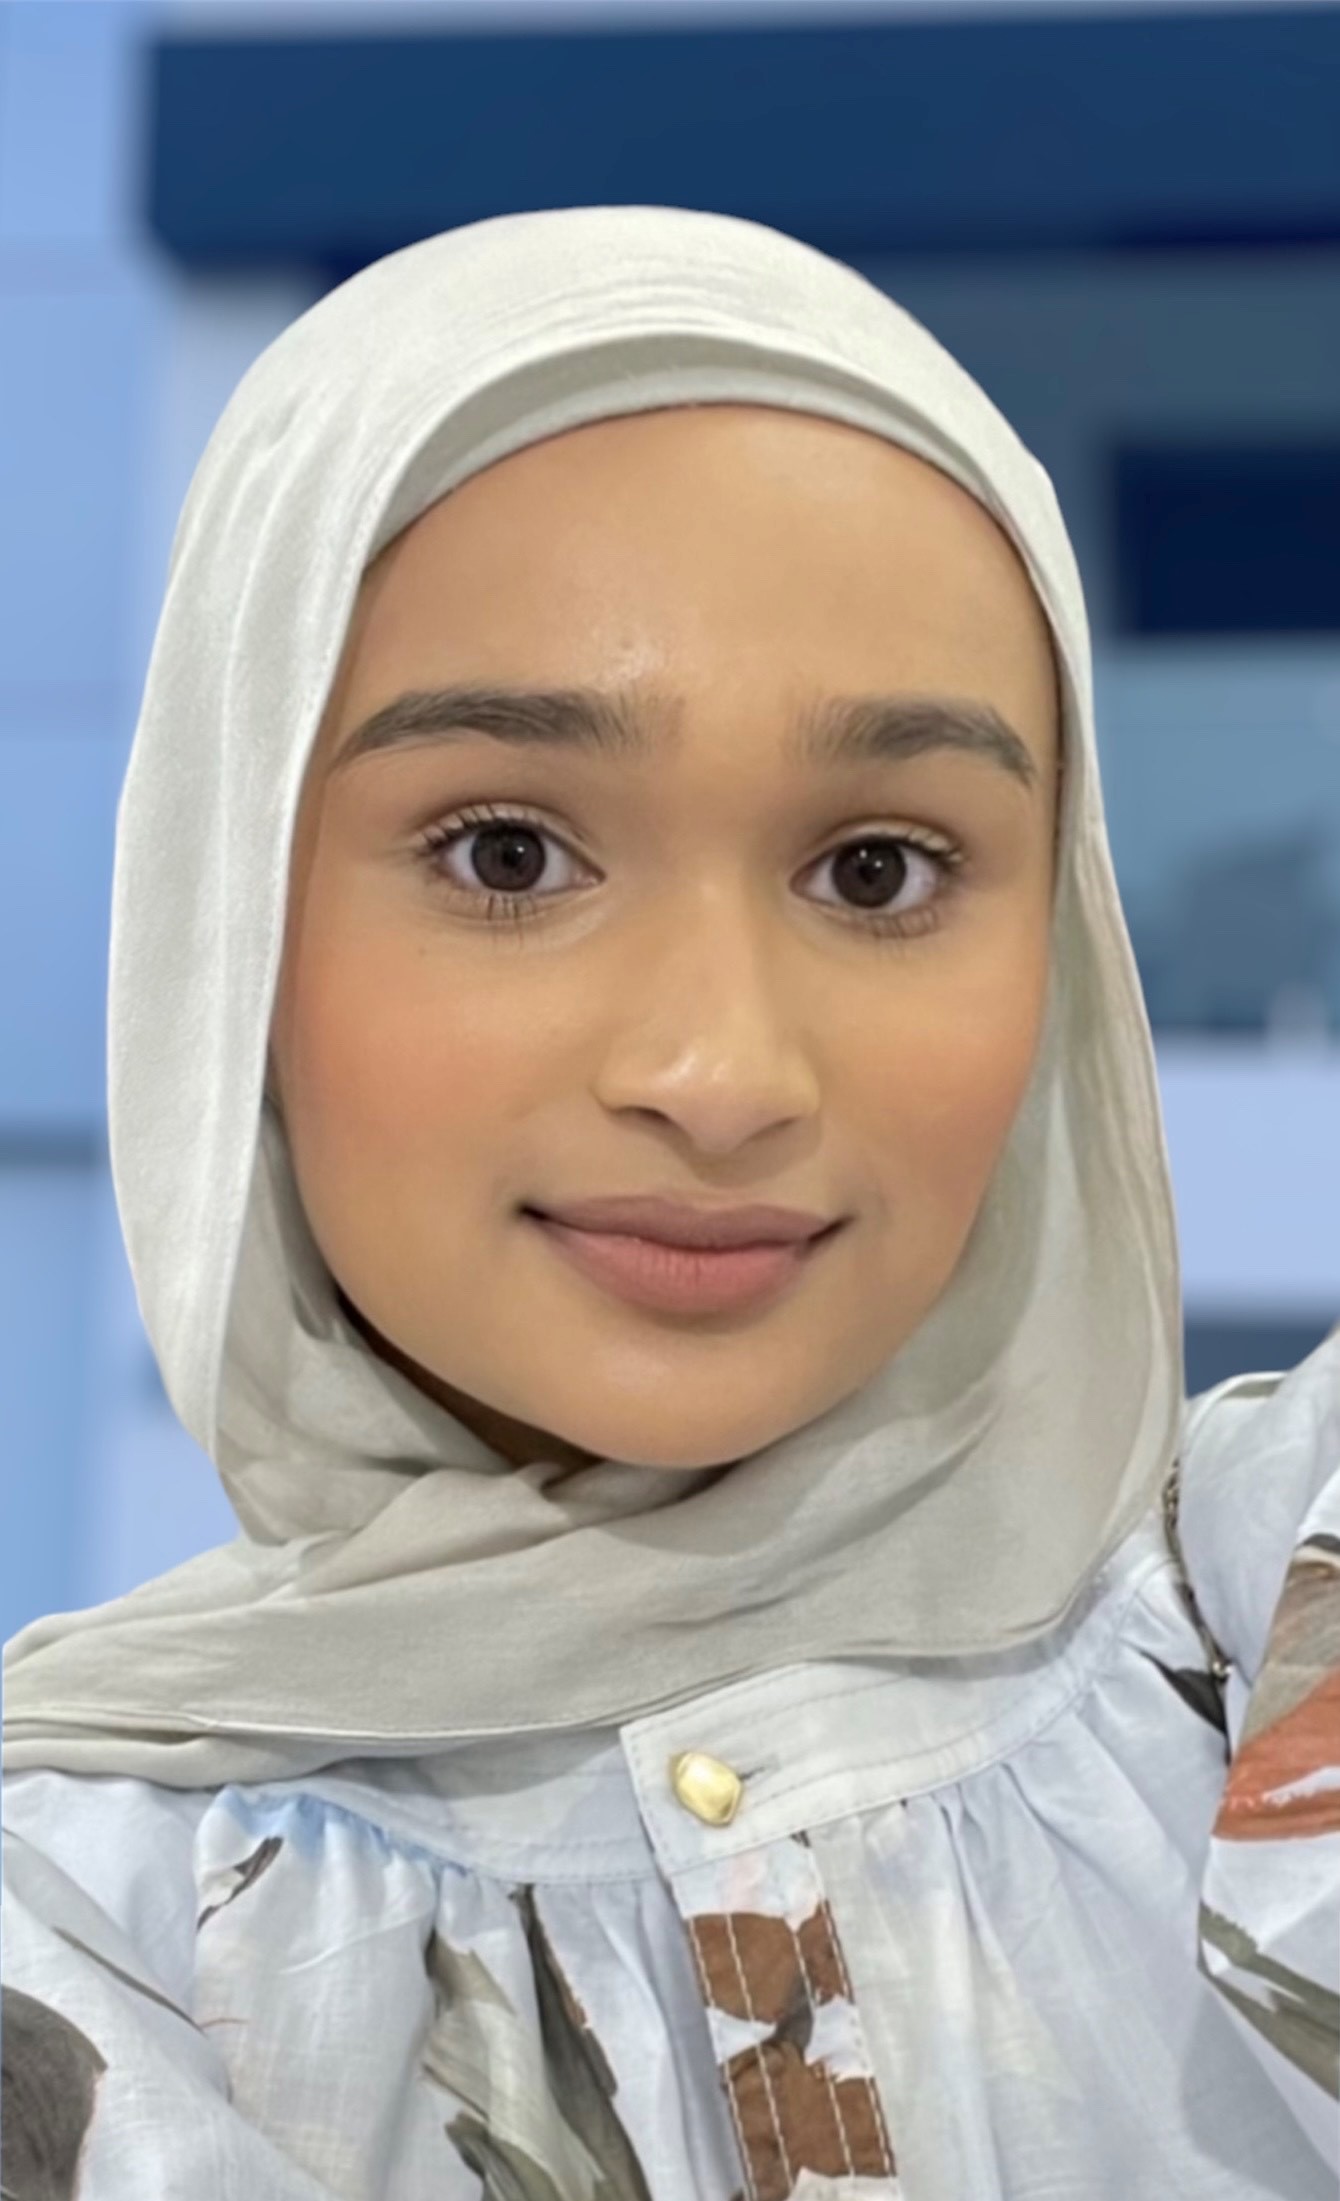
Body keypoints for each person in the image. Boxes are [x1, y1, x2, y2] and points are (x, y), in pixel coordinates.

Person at [2, 204, 1335, 2200]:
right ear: (233, 935)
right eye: (509, 854)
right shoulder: (86, 1933)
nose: (720, 1075)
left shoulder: (1258, 1620)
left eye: (878, 869)